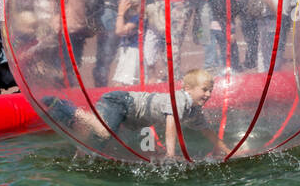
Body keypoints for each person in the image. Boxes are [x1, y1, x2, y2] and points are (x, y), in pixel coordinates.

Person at [42, 68, 227, 160]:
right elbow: (172, 124)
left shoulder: (194, 110)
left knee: (99, 142)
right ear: (188, 88)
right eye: (204, 90)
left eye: (211, 90)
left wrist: (227, 151)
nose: (209, 94)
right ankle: (65, 107)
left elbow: (206, 130)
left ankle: (75, 145)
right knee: (104, 132)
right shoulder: (180, 99)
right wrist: (170, 155)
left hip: (132, 118)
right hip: (121, 102)